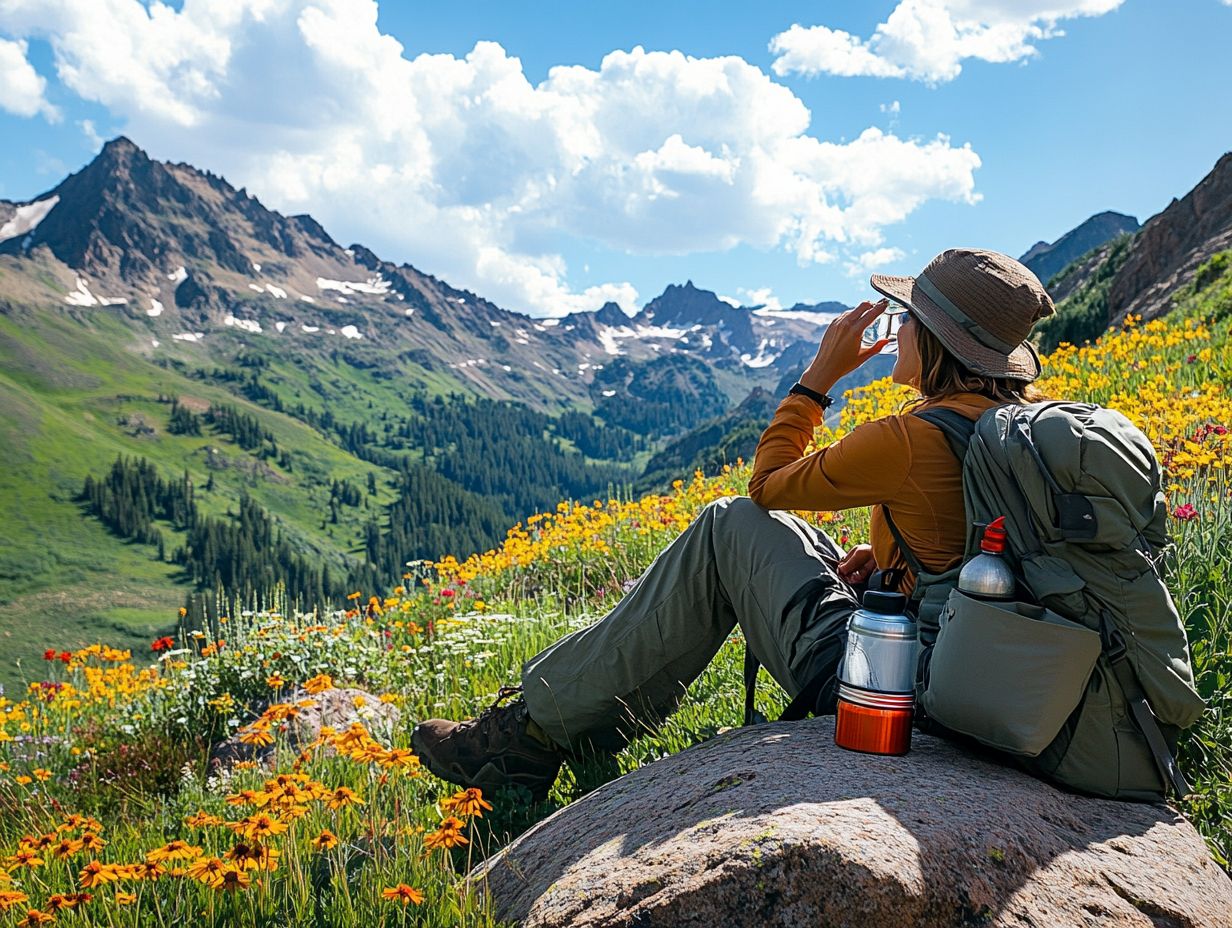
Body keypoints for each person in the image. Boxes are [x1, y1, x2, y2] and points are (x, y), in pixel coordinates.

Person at [412, 248, 1056, 800]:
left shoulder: (908, 438)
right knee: (762, 532)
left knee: (729, 524)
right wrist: (903, 562)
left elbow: (768, 486)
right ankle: (563, 721)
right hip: (981, 669)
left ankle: (531, 733)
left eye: (906, 318)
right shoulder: (1026, 426)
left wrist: (818, 379)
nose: (898, 328)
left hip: (894, 686)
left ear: (934, 339)